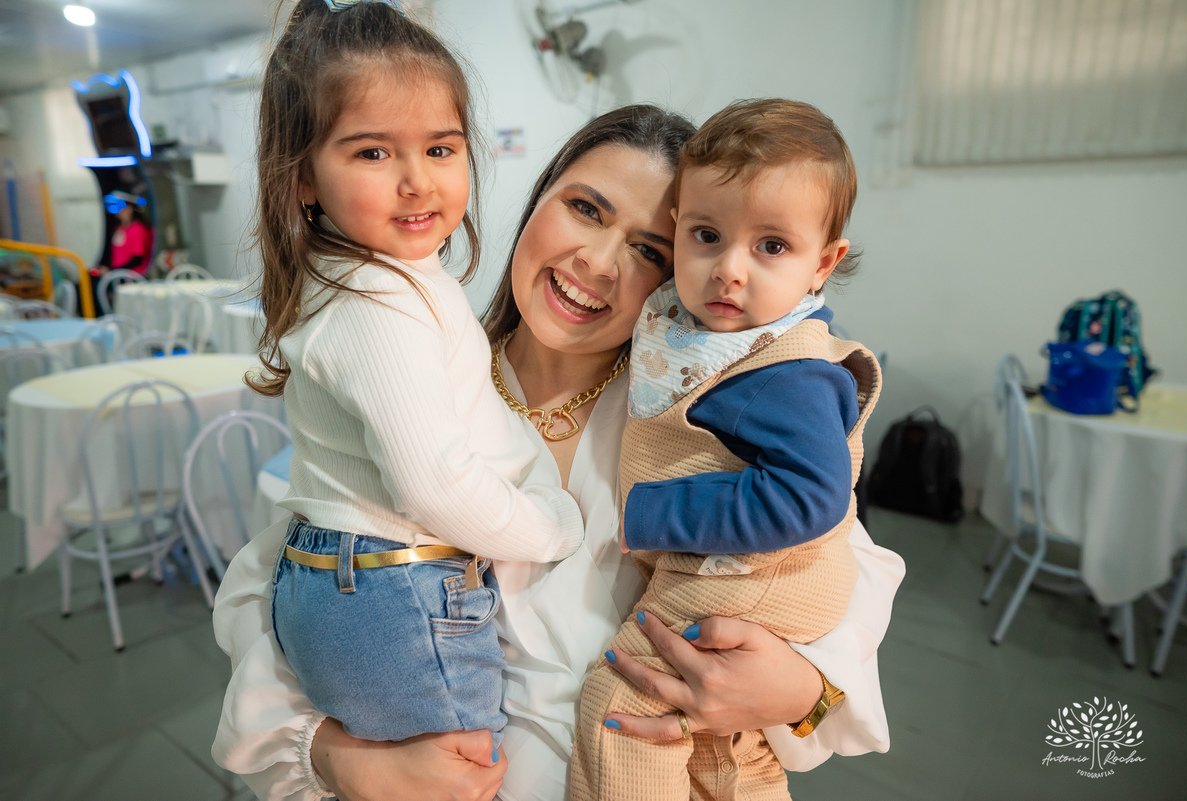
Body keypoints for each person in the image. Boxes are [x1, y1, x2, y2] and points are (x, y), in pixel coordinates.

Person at [213, 104, 905, 801]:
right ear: (536, 197)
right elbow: (268, 601)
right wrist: (336, 757)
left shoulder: (703, 421)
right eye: (585, 209)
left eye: (648, 250)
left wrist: (800, 692)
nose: (597, 264)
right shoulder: (411, 385)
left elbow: (838, 595)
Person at [248, 0, 584, 761]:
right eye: (372, 153)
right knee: (461, 773)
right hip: (396, 588)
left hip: (358, 579)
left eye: (441, 149)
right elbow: (434, 485)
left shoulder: (374, 277)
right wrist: (553, 524)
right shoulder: (380, 306)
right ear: (301, 177)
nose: (416, 182)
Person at [571, 99, 880, 801]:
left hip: (763, 572)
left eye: (772, 245)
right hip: (740, 571)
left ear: (823, 264)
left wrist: (655, 511)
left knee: (622, 703)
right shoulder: (689, 341)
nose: (728, 270)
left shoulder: (786, 370)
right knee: (715, 750)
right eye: (706, 235)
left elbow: (814, 502)